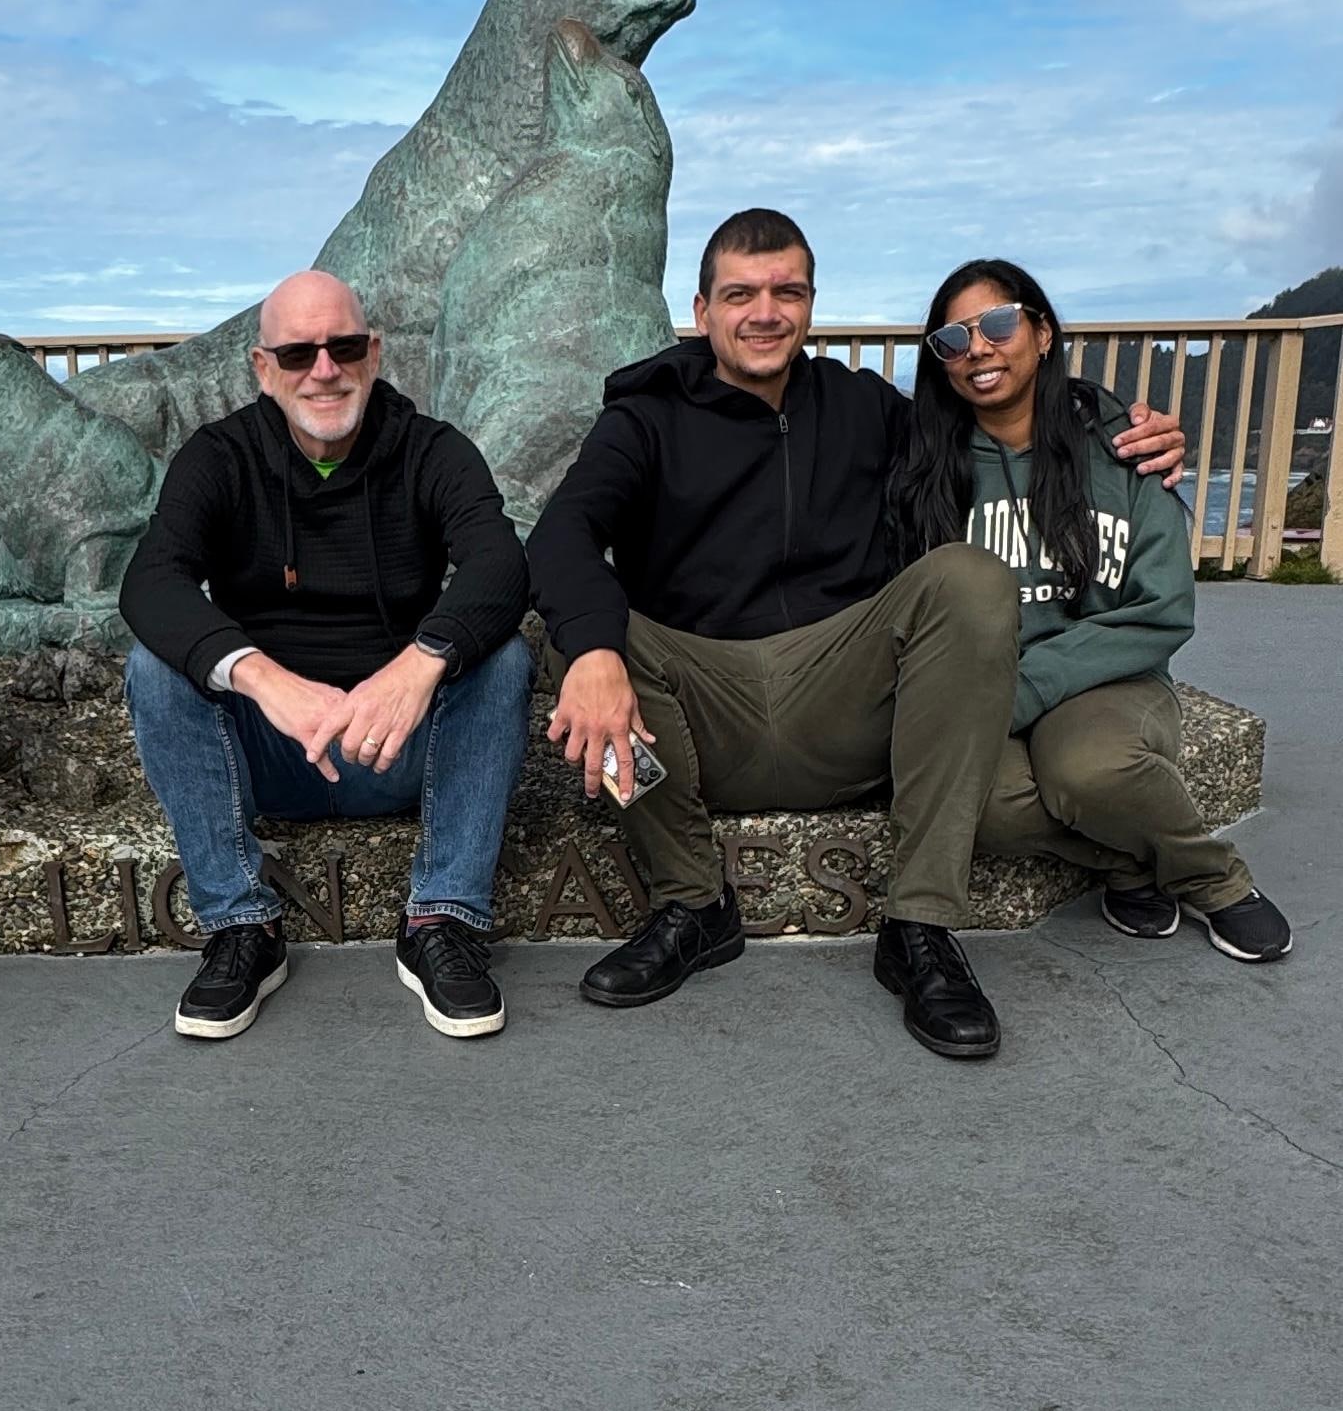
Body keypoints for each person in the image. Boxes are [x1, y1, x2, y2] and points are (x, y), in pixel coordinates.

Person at [527, 210, 1187, 1058]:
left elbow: (998, 412)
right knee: (574, 641)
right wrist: (592, 652)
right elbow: (560, 535)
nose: (763, 312)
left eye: (786, 292)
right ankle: (690, 903)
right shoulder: (643, 419)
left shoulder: (865, 408)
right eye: (739, 294)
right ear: (700, 311)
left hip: (841, 696)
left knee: (966, 577)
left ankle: (918, 931)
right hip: (704, 711)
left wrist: (1114, 426)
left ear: (809, 304)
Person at [120, 270, 533, 1041]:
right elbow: (151, 580)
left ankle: (440, 919)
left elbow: (499, 563)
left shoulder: (431, 450)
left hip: (397, 743)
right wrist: (264, 679)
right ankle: (242, 924)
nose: (323, 368)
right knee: (153, 666)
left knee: (500, 657)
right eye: (298, 351)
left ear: (373, 353)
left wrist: (420, 663)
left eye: (343, 346)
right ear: (262, 366)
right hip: (269, 752)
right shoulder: (219, 457)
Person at [896, 258, 1292, 961]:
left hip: (1110, 678)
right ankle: (1127, 864)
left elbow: (1163, 610)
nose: (977, 349)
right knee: (968, 803)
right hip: (991, 691)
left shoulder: (1122, 445)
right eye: (952, 340)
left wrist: (1031, 687)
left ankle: (1212, 879)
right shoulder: (929, 468)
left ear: (1041, 331)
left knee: (1088, 768)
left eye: (994, 324)